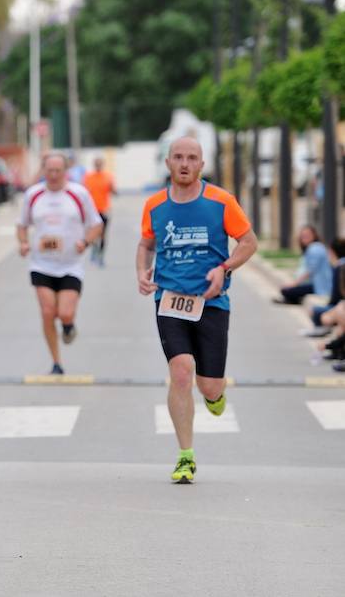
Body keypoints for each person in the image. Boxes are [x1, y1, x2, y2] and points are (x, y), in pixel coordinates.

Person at [136, 136, 257, 484]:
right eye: (178, 157)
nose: (185, 163)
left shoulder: (221, 201)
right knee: (181, 370)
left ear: (201, 165)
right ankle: (185, 456)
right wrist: (142, 271)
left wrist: (225, 268)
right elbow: (146, 244)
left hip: (212, 301)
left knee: (209, 386)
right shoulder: (155, 205)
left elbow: (249, 242)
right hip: (170, 300)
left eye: (192, 158)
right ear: (168, 163)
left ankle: (215, 395)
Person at [17, 154, 103, 375]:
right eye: (49, 170)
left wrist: (85, 242)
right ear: (43, 170)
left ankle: (68, 324)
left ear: (66, 171)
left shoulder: (78, 194)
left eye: (58, 171)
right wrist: (24, 243)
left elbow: (96, 225)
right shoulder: (33, 195)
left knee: (64, 313)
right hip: (41, 264)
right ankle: (56, 362)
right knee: (47, 312)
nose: (53, 175)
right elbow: (22, 225)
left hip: (70, 265)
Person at [273, 225, 333, 304]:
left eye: (307, 235)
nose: (304, 238)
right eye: (303, 236)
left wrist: (294, 284)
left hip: (319, 286)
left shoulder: (315, 248)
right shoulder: (313, 247)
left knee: (285, 290)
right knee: (287, 290)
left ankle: (293, 299)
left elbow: (310, 271)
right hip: (313, 284)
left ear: (314, 235)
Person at [82, 157, 116, 267]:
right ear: (93, 164)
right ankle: (94, 250)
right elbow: (83, 192)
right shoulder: (88, 177)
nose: (98, 166)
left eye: (100, 164)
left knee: (102, 234)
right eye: (96, 164)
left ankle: (101, 256)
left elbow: (114, 191)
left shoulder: (108, 177)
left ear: (102, 164)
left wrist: (113, 188)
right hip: (92, 210)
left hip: (104, 209)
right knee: (92, 233)